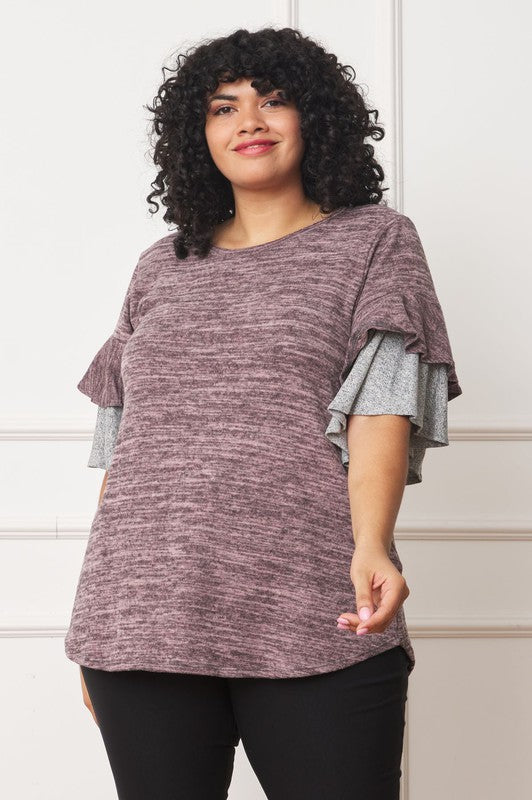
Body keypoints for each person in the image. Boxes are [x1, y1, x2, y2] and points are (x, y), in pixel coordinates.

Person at [65, 26, 462, 800]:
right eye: (224, 107)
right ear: (198, 134)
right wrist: (100, 613)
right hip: (143, 615)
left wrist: (374, 544)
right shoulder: (161, 265)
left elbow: (382, 404)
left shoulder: (375, 241)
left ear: (315, 118)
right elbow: (126, 445)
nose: (248, 120)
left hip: (314, 603)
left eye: (273, 100)